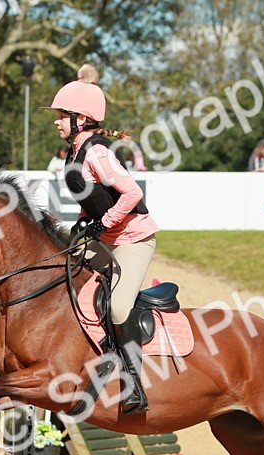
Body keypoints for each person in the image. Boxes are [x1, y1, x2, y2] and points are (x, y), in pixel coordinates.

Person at [44, 63, 160, 414]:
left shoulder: (96, 153)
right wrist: (82, 223)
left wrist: (103, 223)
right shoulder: (75, 153)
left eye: (62, 116)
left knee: (119, 306)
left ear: (80, 118)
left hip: (133, 239)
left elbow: (130, 193)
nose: (56, 121)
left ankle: (134, 383)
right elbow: (92, 198)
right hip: (107, 236)